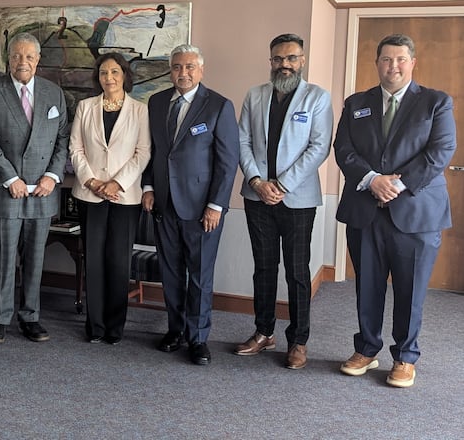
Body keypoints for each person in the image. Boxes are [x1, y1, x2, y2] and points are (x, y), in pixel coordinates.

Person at [335, 34, 456, 388]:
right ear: (377, 63)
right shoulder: (356, 102)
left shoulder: (436, 102)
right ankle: (367, 348)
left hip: (416, 214)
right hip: (365, 210)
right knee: (367, 287)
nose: (393, 66)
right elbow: (343, 148)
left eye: (401, 59)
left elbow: (440, 151)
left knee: (411, 289)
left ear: (412, 62)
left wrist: (396, 185)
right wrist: (372, 179)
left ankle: (405, 357)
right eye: (387, 59)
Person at [234, 33, 333, 369]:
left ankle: (298, 340)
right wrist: (258, 182)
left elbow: (318, 148)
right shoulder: (255, 95)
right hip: (257, 197)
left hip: (298, 200)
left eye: (292, 58)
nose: (285, 64)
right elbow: (242, 142)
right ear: (271, 61)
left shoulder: (317, 98)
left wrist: (282, 184)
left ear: (302, 60)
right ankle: (264, 332)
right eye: (278, 59)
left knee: (297, 272)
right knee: (263, 268)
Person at [142, 44, 239, 365]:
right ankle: (175, 329)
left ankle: (198, 338)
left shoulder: (218, 106)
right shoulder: (155, 103)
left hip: (202, 210)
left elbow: (228, 162)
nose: (182, 73)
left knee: (199, 275)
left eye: (189, 67)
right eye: (176, 67)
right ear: (170, 70)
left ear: (201, 70)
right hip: (164, 205)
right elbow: (152, 152)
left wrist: (216, 205)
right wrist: (148, 186)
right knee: (170, 272)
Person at [0, 32, 69, 344]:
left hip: (42, 190)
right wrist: (10, 178)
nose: (23, 62)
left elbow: (62, 140)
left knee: (35, 258)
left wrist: (52, 177)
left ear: (38, 59)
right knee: (3, 258)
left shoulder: (54, 94)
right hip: (7, 189)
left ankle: (30, 316)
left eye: (29, 56)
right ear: (8, 59)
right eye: (17, 56)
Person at [68, 53, 150, 344]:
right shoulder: (85, 107)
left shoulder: (140, 110)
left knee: (117, 261)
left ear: (124, 75)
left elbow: (143, 153)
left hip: (124, 197)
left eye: (115, 72)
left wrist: (117, 184)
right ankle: (96, 326)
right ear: (98, 76)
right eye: (104, 72)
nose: (109, 78)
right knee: (94, 260)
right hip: (89, 194)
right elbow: (75, 148)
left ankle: (115, 328)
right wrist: (90, 180)